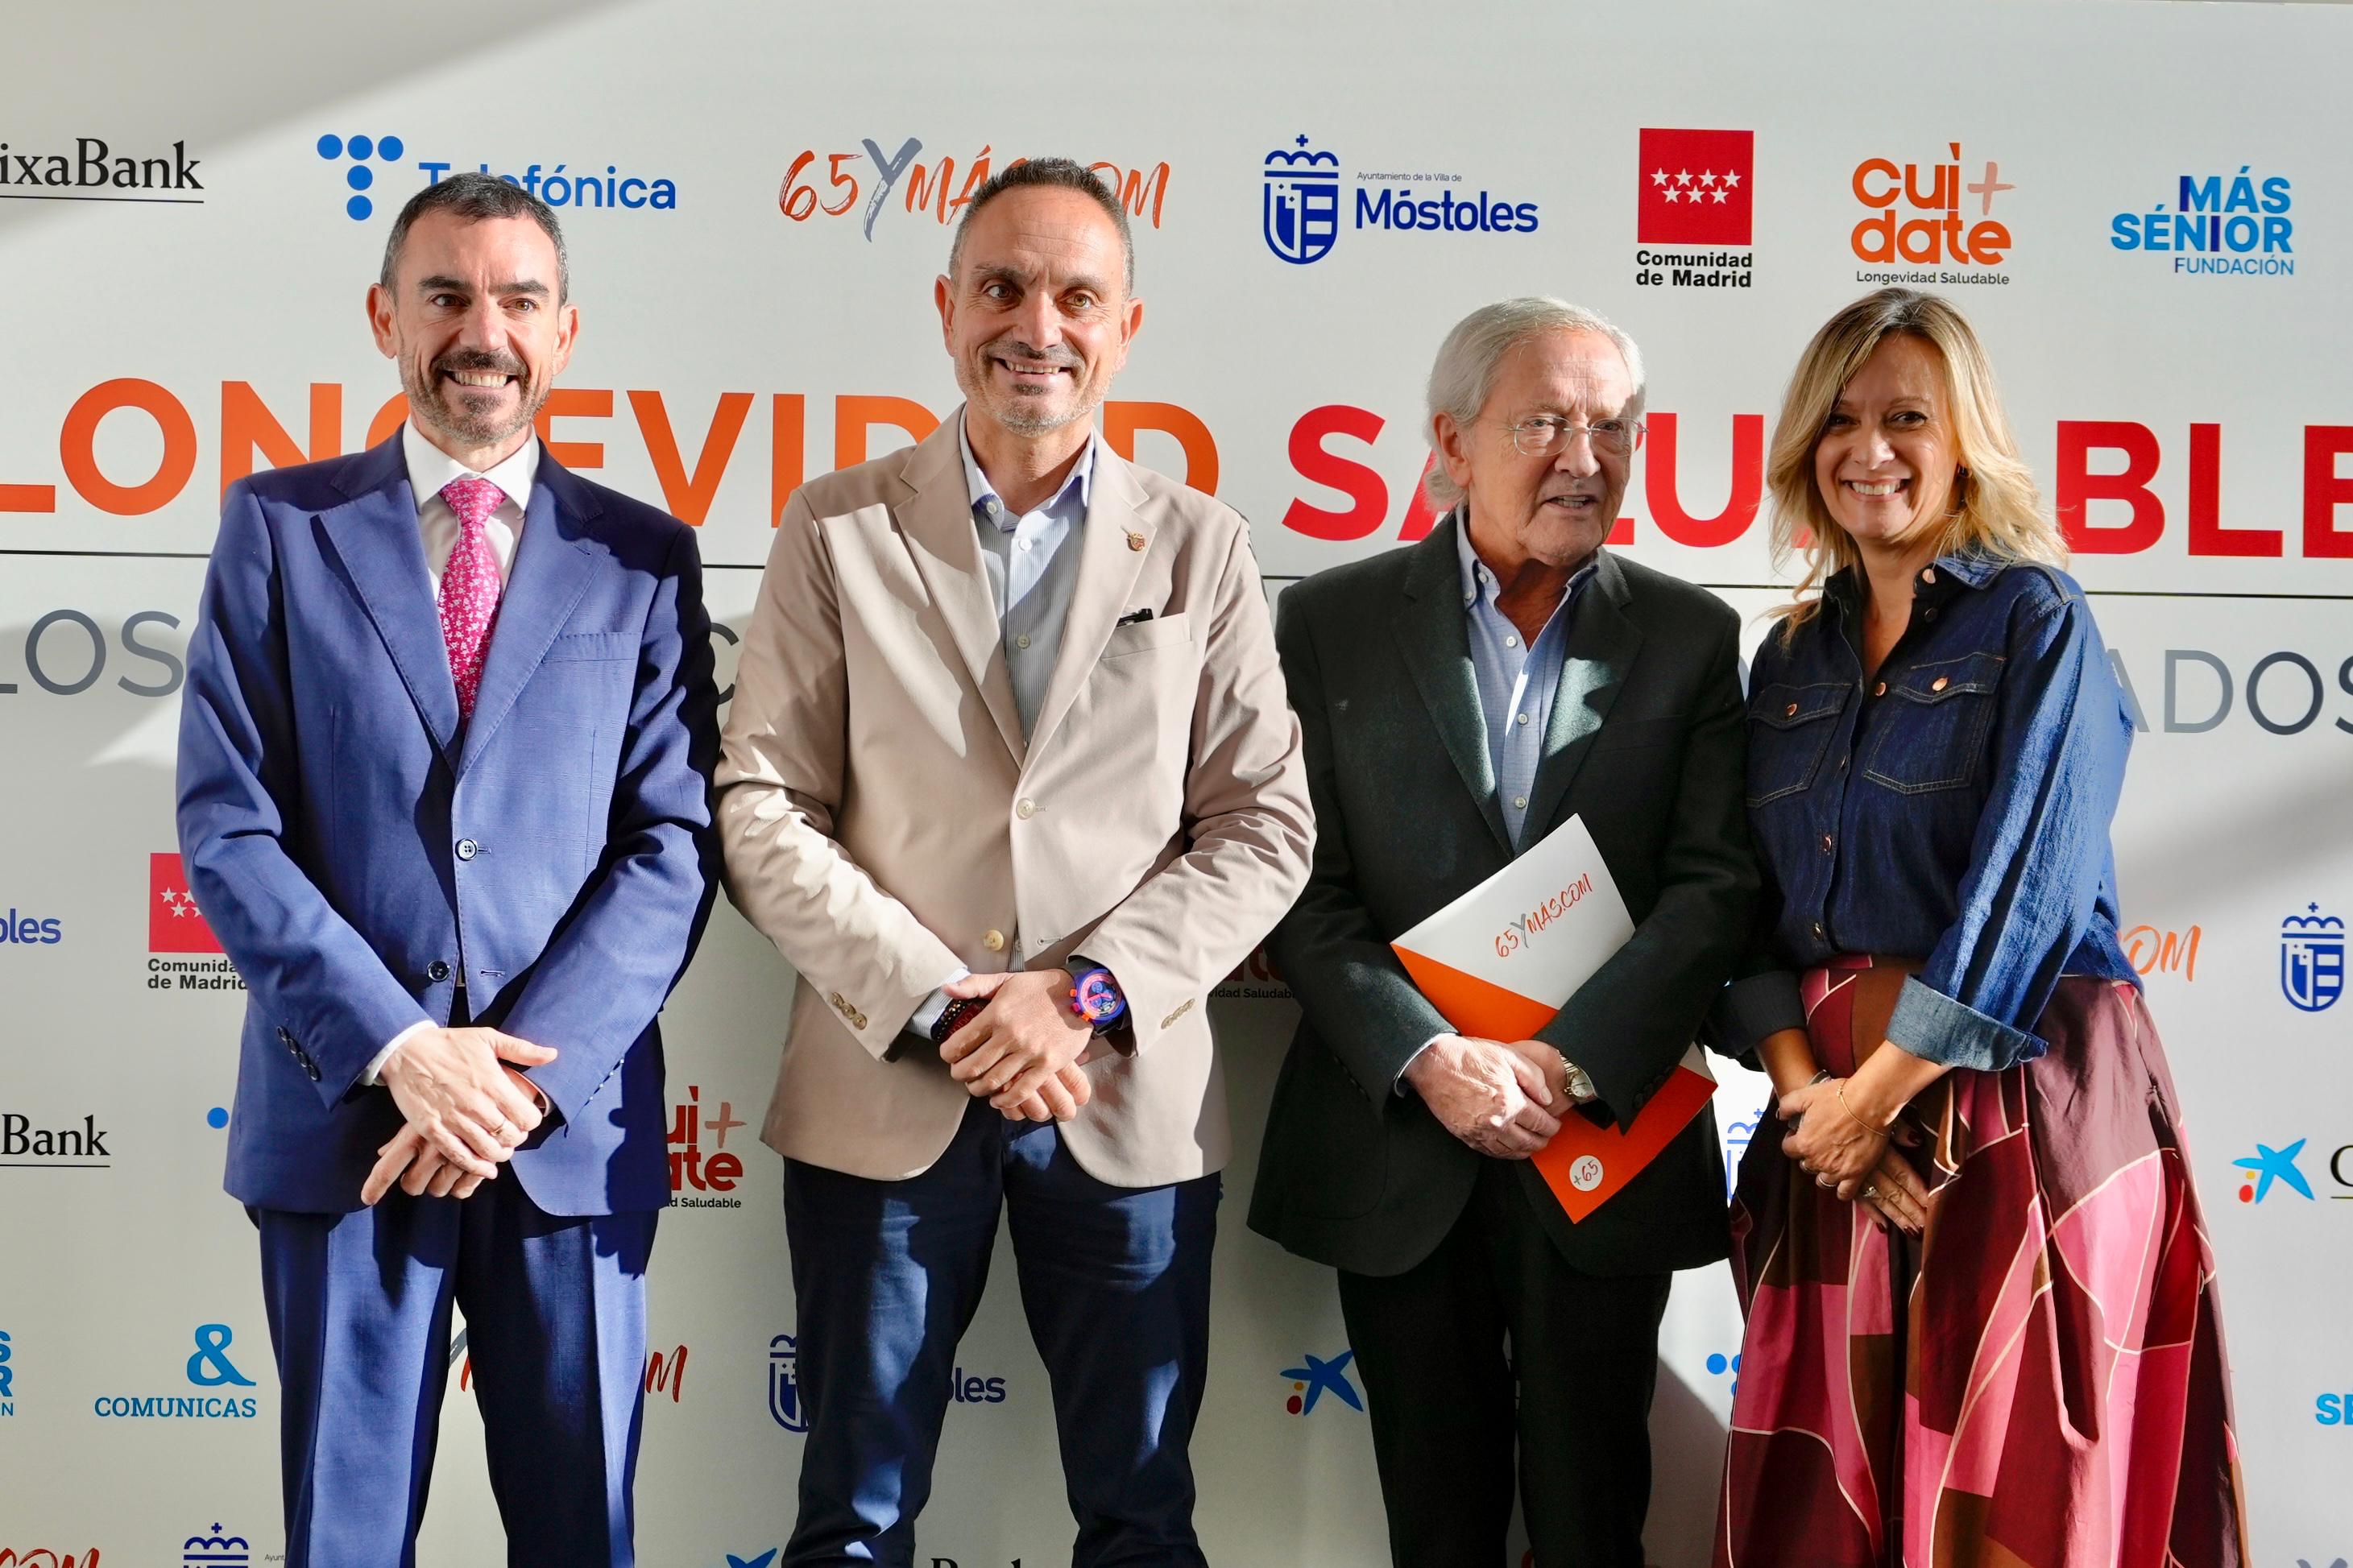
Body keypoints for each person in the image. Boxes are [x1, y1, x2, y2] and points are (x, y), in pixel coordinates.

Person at [715, 156, 1313, 1567]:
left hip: (1121, 1096)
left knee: (1141, 1521)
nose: (1035, 326)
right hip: (887, 1089)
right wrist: (945, 1004)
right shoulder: (836, 526)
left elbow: (1263, 826)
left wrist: (1081, 995)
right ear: (947, 309)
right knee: (854, 1521)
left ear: (1124, 328)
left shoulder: (1202, 547)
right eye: (1001, 288)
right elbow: (762, 807)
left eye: (1074, 297)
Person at [176, 172, 719, 1566]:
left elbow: (670, 846)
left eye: (519, 300)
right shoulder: (278, 528)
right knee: (345, 1542)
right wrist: (405, 1048)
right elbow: (229, 826)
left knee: (581, 1536)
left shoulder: (642, 557)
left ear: (565, 330)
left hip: (562, 1137)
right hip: (348, 1128)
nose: (485, 332)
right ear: (386, 319)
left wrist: (510, 1083)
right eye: (447, 297)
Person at [1710, 287, 2247, 1566]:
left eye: (1907, 417)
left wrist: (1873, 1097)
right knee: (1825, 1504)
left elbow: (2026, 892)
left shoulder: (2034, 618)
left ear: (1964, 440)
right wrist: (1813, 1107)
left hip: (2017, 1110)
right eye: (1839, 419)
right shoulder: (1786, 659)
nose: (1869, 449)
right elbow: (1738, 907)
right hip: (1834, 1136)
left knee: (2012, 1505)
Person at [1249, 297, 1758, 1568]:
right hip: (1397, 1142)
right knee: (1436, 1524)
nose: (1583, 459)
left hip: (1602, 1139)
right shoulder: (1328, 622)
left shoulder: (1691, 637)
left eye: (1612, 427)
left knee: (1595, 1518)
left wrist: (1567, 1063)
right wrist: (1430, 1058)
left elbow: (1711, 886)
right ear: (1449, 442)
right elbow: (1297, 885)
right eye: (1542, 424)